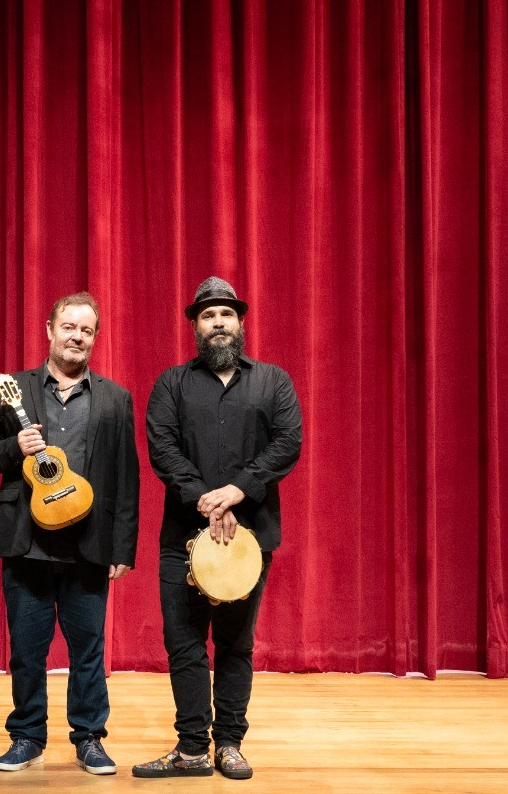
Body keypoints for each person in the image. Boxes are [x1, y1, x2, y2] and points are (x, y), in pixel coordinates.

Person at [132, 276, 302, 782]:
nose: (218, 322)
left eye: (226, 313)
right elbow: (162, 446)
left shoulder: (274, 382)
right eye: (208, 315)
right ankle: (192, 749)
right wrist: (207, 499)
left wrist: (237, 491)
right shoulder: (171, 384)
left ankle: (228, 744)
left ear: (240, 321)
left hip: (250, 538)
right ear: (195, 326)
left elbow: (288, 442)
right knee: (184, 643)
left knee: (235, 644)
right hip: (182, 537)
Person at [0, 291, 140, 776]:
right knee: (27, 650)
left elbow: (126, 477)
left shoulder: (115, 398)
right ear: (49, 330)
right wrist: (14, 446)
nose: (77, 337)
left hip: (89, 544)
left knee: (88, 650)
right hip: (26, 541)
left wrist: (123, 546)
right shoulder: (15, 388)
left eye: (86, 330)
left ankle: (89, 738)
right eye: (69, 327)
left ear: (95, 337)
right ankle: (27, 736)